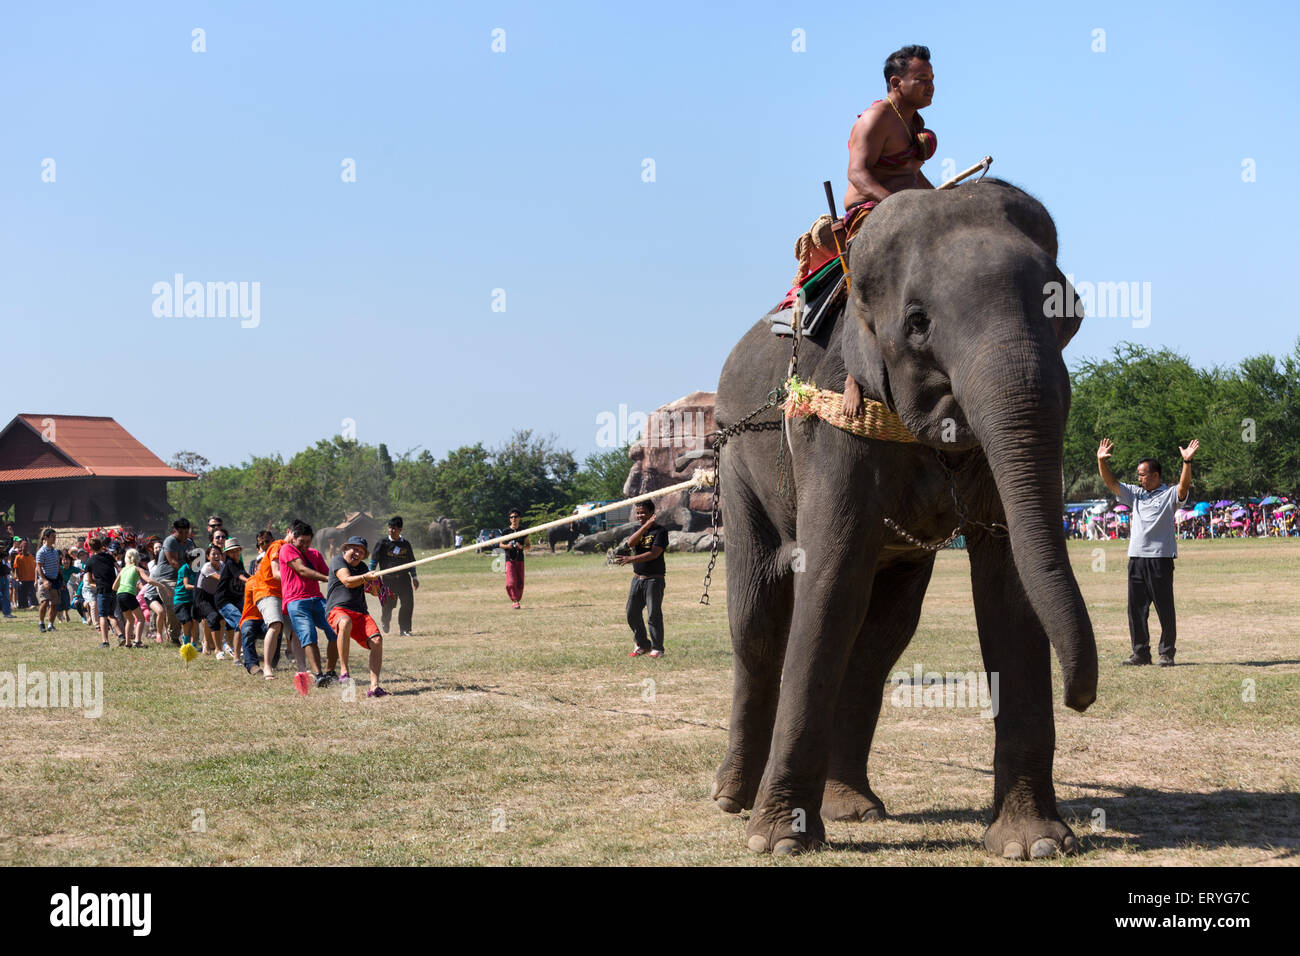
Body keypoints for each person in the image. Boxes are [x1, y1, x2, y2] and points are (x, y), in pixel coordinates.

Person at [839, 45, 938, 418]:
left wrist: (941, 201)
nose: (930, 86)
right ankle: (854, 375)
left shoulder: (911, 122)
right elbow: (858, 174)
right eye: (922, 80)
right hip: (871, 211)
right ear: (897, 83)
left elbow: (912, 175)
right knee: (873, 281)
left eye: (932, 79)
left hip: (905, 211)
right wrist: (894, 205)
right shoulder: (877, 117)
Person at [1097, 437, 1199, 667]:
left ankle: (1167, 653)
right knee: (1135, 610)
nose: (1139, 478)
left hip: (1160, 559)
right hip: (1137, 559)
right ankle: (1140, 653)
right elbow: (1112, 484)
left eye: (1143, 474)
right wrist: (1101, 462)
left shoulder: (1169, 494)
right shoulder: (1135, 494)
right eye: (1138, 475)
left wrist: (1187, 463)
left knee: (1164, 608)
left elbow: (1183, 488)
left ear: (1155, 475)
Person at [280, 520, 339, 687]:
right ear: (293, 539)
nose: (305, 545)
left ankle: (330, 671)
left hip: (317, 599)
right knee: (309, 635)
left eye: (308, 541)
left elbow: (330, 573)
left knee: (335, 629)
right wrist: (329, 579)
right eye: (301, 541)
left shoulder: (315, 554)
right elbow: (302, 570)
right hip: (296, 601)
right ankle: (318, 675)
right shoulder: (286, 549)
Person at [327, 536, 387, 697]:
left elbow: (374, 593)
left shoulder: (363, 568)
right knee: (345, 622)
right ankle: (344, 671)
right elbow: (347, 581)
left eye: (361, 551)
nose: (357, 553)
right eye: (355, 549)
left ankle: (374, 687)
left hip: (360, 612)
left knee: (377, 641)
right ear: (346, 549)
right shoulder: (338, 561)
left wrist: (374, 582)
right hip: (338, 610)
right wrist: (365, 577)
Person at [615, 500, 670, 658]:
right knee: (631, 613)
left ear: (652, 513)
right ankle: (642, 644)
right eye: (638, 513)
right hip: (637, 579)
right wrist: (644, 527)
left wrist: (630, 560)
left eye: (643, 512)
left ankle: (657, 648)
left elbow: (654, 554)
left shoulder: (661, 531)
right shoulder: (636, 529)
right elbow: (630, 543)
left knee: (653, 614)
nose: (640, 516)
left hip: (654, 579)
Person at [369, 516, 419, 635]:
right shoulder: (382, 543)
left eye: (394, 528)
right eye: (390, 528)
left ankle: (405, 629)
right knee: (388, 604)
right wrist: (370, 575)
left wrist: (414, 577)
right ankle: (385, 620)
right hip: (388, 580)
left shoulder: (405, 544)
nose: (391, 530)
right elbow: (374, 560)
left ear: (400, 529)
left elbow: (412, 562)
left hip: (403, 579)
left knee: (407, 604)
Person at [153, 519, 190, 642]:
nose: (184, 535)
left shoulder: (189, 543)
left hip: (181, 578)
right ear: (175, 531)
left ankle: (190, 636)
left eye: (186, 532)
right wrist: (189, 573)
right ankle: (174, 636)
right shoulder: (170, 541)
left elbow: (196, 561)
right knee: (175, 604)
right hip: (165, 580)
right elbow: (174, 562)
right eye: (182, 533)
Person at [111, 548, 153, 647]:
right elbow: (149, 580)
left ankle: (127, 643)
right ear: (137, 558)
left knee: (129, 620)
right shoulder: (137, 569)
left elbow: (114, 587)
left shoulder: (123, 570)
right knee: (141, 618)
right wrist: (161, 585)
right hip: (129, 595)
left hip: (120, 595)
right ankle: (137, 641)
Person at [85, 537, 123, 648]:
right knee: (110, 614)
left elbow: (89, 580)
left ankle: (105, 641)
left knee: (102, 615)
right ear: (101, 546)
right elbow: (119, 569)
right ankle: (120, 635)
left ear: (91, 548)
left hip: (102, 591)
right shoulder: (109, 557)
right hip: (114, 590)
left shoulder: (90, 561)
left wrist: (97, 585)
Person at [173, 548, 202, 648]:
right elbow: (186, 585)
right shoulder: (185, 568)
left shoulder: (197, 569)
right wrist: (199, 588)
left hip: (192, 599)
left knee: (194, 620)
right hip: (181, 600)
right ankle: (186, 641)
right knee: (187, 621)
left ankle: (193, 644)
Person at [35, 528, 62, 632]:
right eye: (52, 536)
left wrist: (62, 579)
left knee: (54, 604)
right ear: (46, 538)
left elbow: (57, 566)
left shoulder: (55, 551)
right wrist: (44, 580)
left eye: (55, 536)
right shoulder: (41, 552)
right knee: (45, 602)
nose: (54, 538)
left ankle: (50, 625)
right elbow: (38, 567)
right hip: (45, 580)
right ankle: (41, 623)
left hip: (55, 580)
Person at [502, 507, 526, 609]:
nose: (513, 519)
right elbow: (500, 544)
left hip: (520, 559)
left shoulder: (523, 530)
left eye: (515, 517)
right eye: (511, 517)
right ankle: (514, 600)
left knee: (520, 581)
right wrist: (508, 546)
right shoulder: (506, 531)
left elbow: (528, 545)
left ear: (519, 518)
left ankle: (518, 599)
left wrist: (522, 547)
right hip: (509, 559)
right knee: (510, 582)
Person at [12, 539, 37, 610]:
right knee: (22, 594)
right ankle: (22, 606)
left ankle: (33, 605)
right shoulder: (18, 557)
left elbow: (34, 567)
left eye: (27, 546)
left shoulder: (31, 557)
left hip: (30, 579)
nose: (26, 548)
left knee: (32, 593)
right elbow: (16, 568)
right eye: (24, 546)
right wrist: (17, 577)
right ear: (21, 547)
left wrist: (35, 578)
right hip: (22, 579)